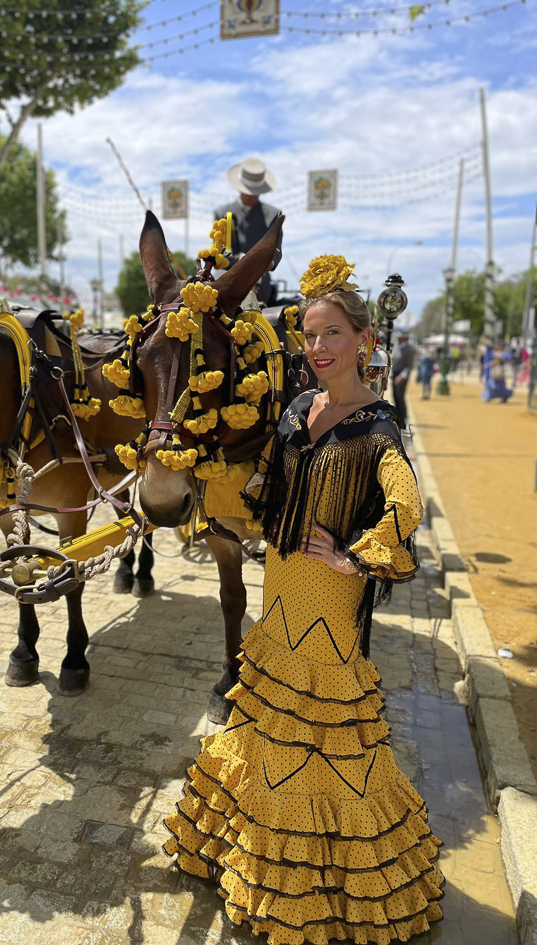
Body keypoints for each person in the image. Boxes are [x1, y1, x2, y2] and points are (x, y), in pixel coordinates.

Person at [163, 256, 444, 944]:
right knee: (271, 717)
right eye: (309, 335)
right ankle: (256, 850)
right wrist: (235, 512)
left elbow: (407, 503)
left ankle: (321, 881)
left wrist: (356, 554)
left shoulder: (376, 424)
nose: (317, 347)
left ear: (363, 340)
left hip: (330, 593)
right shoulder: (298, 407)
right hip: (282, 580)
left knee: (325, 724)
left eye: (331, 334)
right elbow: (268, 479)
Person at [214, 158, 282, 306]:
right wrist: (243, 261)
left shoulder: (273, 215)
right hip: (227, 274)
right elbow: (221, 250)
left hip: (260, 277)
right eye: (248, 192)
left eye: (256, 193)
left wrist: (265, 264)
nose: (252, 197)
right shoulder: (223, 214)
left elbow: (276, 251)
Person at [390, 329, 414, 430]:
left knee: (400, 397)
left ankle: (402, 421)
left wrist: (401, 377)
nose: (399, 338)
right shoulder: (397, 346)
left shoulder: (409, 349)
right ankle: (397, 418)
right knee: (395, 397)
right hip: (395, 373)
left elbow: (409, 366)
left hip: (401, 375)